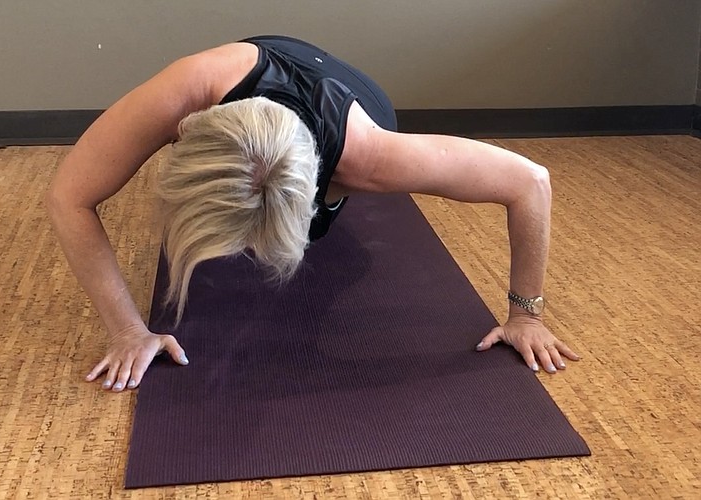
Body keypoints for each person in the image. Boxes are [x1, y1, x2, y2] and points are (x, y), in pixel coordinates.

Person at [46, 35, 579, 392]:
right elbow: (69, 197)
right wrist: (126, 330)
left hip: (351, 96)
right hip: (251, 71)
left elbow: (530, 182)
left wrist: (525, 315)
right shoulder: (183, 92)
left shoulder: (370, 157)